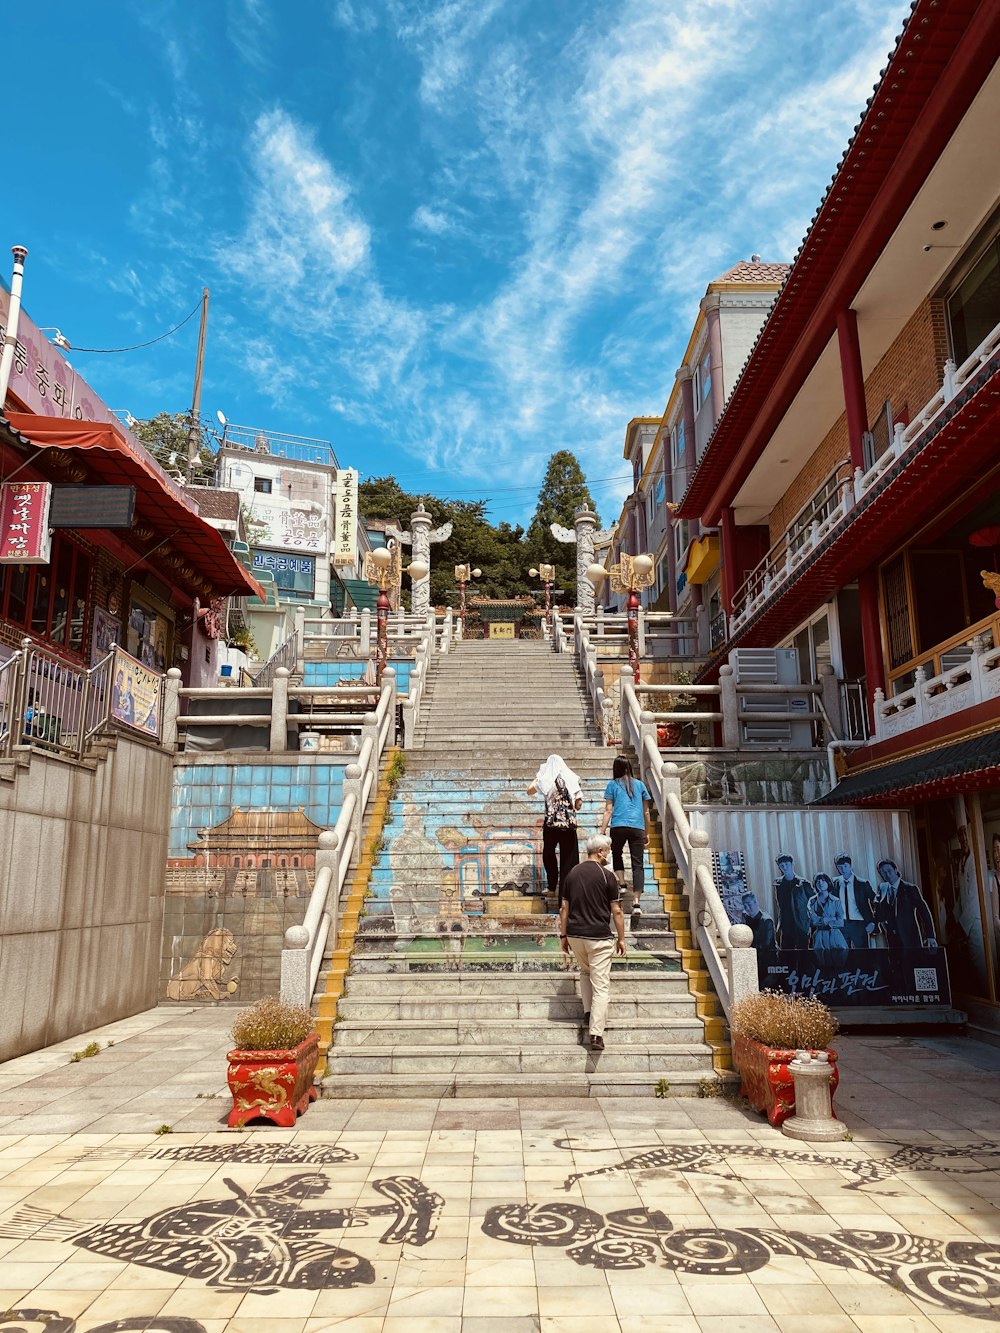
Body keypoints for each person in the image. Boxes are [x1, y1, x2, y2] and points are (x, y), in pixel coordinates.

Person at [559, 834, 626, 1052]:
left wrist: (563, 936)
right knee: (601, 986)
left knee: (586, 973)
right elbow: (616, 910)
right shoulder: (607, 876)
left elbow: (564, 909)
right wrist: (622, 938)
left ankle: (588, 1012)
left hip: (576, 935)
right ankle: (596, 1034)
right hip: (598, 937)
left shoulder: (572, 873)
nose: (608, 854)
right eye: (607, 849)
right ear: (600, 851)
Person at [599, 757, 651, 918]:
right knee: (638, 864)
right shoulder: (640, 784)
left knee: (616, 853)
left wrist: (602, 831)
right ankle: (636, 903)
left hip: (618, 826)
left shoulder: (612, 785)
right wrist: (647, 832)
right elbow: (646, 812)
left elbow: (608, 810)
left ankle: (622, 884)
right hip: (637, 827)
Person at [527, 754, 583, 901]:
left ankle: (552, 885)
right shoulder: (572, 778)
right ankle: (565, 897)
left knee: (548, 854)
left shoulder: (545, 780)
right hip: (568, 826)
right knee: (569, 860)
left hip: (551, 825)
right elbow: (578, 804)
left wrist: (539, 776)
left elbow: (529, 790)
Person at [875, 859, 937, 951]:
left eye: (889, 871)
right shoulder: (882, 887)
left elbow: (924, 912)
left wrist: (930, 936)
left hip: (910, 938)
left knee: (914, 963)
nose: (887, 875)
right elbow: (878, 910)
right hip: (892, 939)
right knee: (896, 963)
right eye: (883, 873)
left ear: (896, 870)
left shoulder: (910, 889)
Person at [832, 853, 877, 949]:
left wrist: (873, 922)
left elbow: (876, 902)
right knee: (844, 956)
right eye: (840, 867)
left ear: (851, 866)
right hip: (841, 924)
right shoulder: (834, 883)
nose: (843, 870)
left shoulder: (863, 883)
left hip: (859, 924)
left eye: (845, 866)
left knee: (862, 955)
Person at [808, 873, 849, 969]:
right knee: (820, 961)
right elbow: (813, 921)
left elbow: (840, 922)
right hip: (819, 935)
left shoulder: (836, 900)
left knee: (839, 959)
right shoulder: (812, 901)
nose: (820, 883)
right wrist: (830, 918)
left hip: (835, 935)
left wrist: (824, 921)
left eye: (823, 880)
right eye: (818, 881)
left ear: (828, 883)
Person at [773, 853, 811, 950]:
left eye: (787, 864)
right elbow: (779, 905)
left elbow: (813, 902)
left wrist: (809, 923)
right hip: (786, 925)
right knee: (786, 955)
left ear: (792, 864)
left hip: (801, 924)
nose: (785, 867)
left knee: (803, 955)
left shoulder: (803, 883)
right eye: (782, 866)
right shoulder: (778, 884)